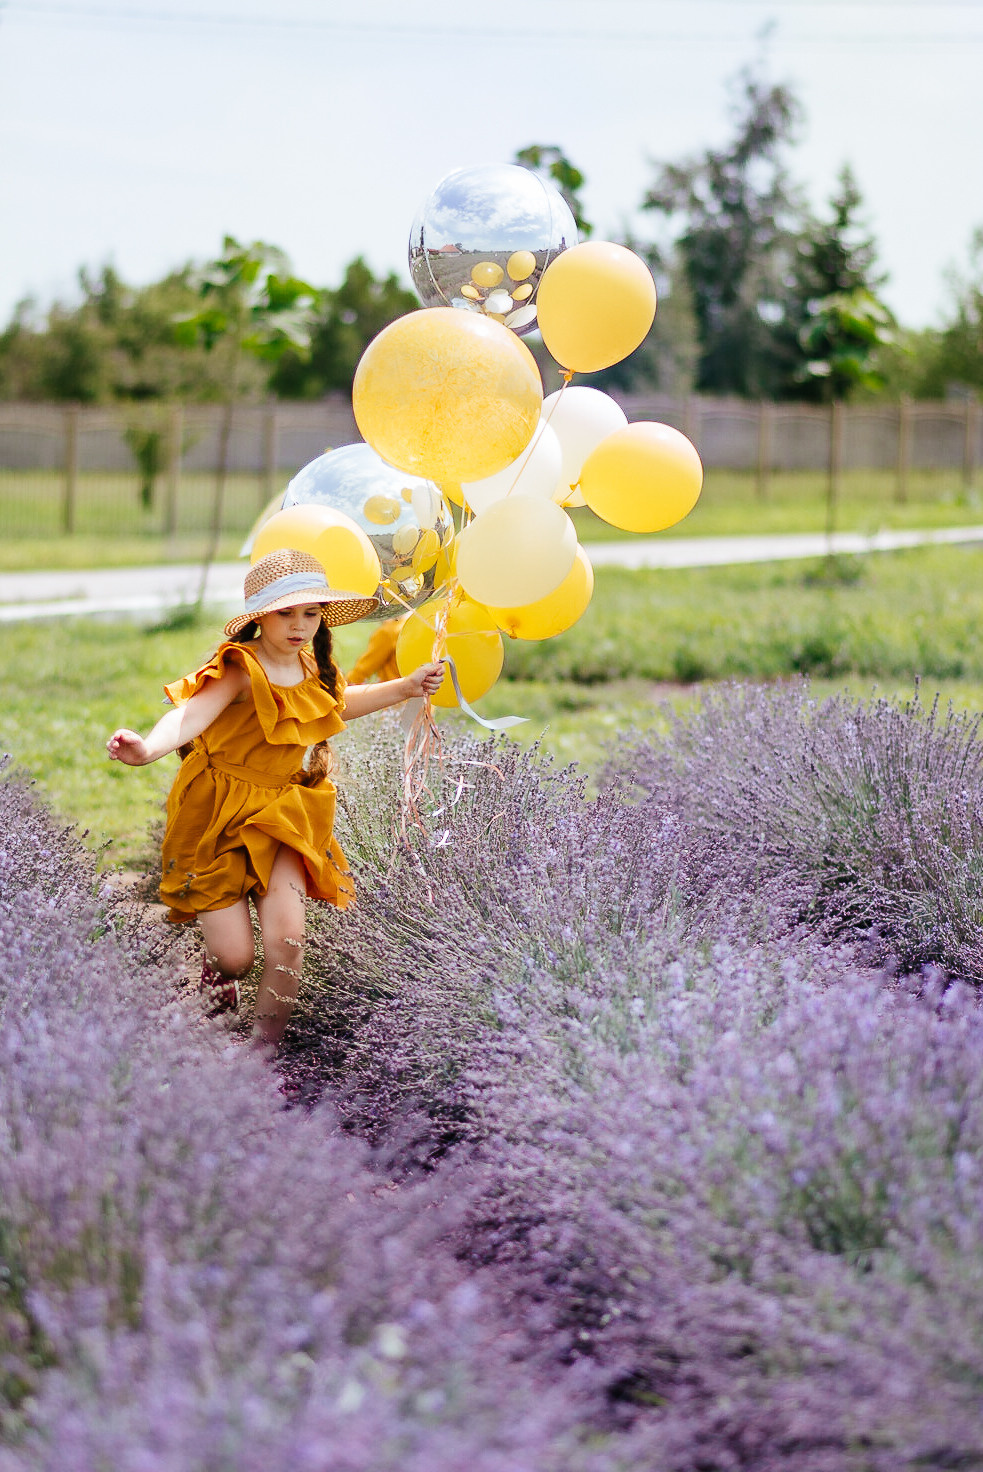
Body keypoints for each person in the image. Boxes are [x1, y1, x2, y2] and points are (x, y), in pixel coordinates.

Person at [106, 548, 443, 1051]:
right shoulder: (241, 667)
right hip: (217, 813)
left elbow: (336, 705)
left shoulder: (314, 666)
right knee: (235, 958)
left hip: (283, 814)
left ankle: (263, 1061)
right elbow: (190, 716)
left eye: (311, 613)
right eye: (286, 612)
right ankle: (217, 971)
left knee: (288, 943)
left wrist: (407, 686)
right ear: (260, 615)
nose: (300, 625)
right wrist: (148, 748)